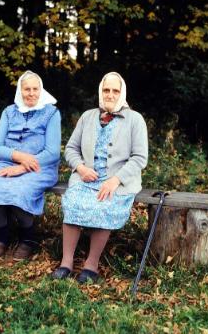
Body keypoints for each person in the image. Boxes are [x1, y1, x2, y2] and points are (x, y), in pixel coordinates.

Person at [52, 72, 148, 283]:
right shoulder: (88, 117)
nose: (110, 95)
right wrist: (80, 167)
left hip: (117, 182)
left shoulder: (135, 119)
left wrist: (116, 180)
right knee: (73, 202)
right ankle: (66, 262)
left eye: (115, 91)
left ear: (122, 93)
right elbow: (71, 148)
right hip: (86, 178)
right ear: (100, 91)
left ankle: (91, 264)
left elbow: (140, 158)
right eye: (106, 90)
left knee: (104, 205)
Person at [0, 70, 61, 260]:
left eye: (36, 89)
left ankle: (28, 239)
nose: (31, 93)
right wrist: (18, 156)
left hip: (40, 167)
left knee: (21, 191)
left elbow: (52, 152)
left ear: (41, 90)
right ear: (20, 90)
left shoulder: (51, 113)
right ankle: (2, 237)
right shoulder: (9, 112)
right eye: (27, 89)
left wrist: (23, 166)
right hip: (7, 163)